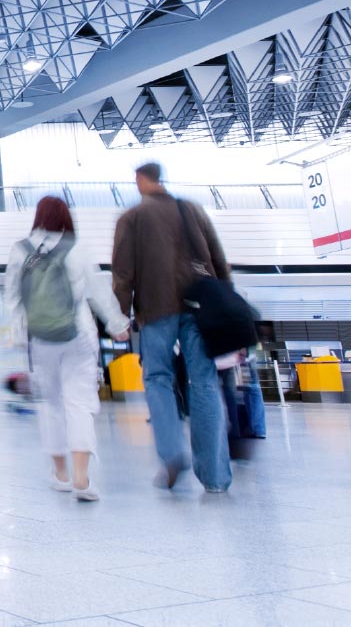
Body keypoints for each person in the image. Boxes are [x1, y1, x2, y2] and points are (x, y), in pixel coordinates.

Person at [113, 163, 232, 492]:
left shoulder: (132, 218)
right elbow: (218, 258)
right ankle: (216, 477)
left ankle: (171, 453)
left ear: (140, 180)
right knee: (205, 382)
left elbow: (123, 273)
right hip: (200, 308)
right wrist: (227, 301)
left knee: (157, 378)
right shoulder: (190, 210)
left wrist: (120, 316)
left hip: (155, 309)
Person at [5, 197, 129, 501]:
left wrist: (20, 335)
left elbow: (12, 299)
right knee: (79, 404)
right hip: (78, 336)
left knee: (52, 405)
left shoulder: (20, 250)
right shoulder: (76, 248)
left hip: (39, 340)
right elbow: (99, 292)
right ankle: (82, 479)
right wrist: (116, 324)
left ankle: (60, 475)